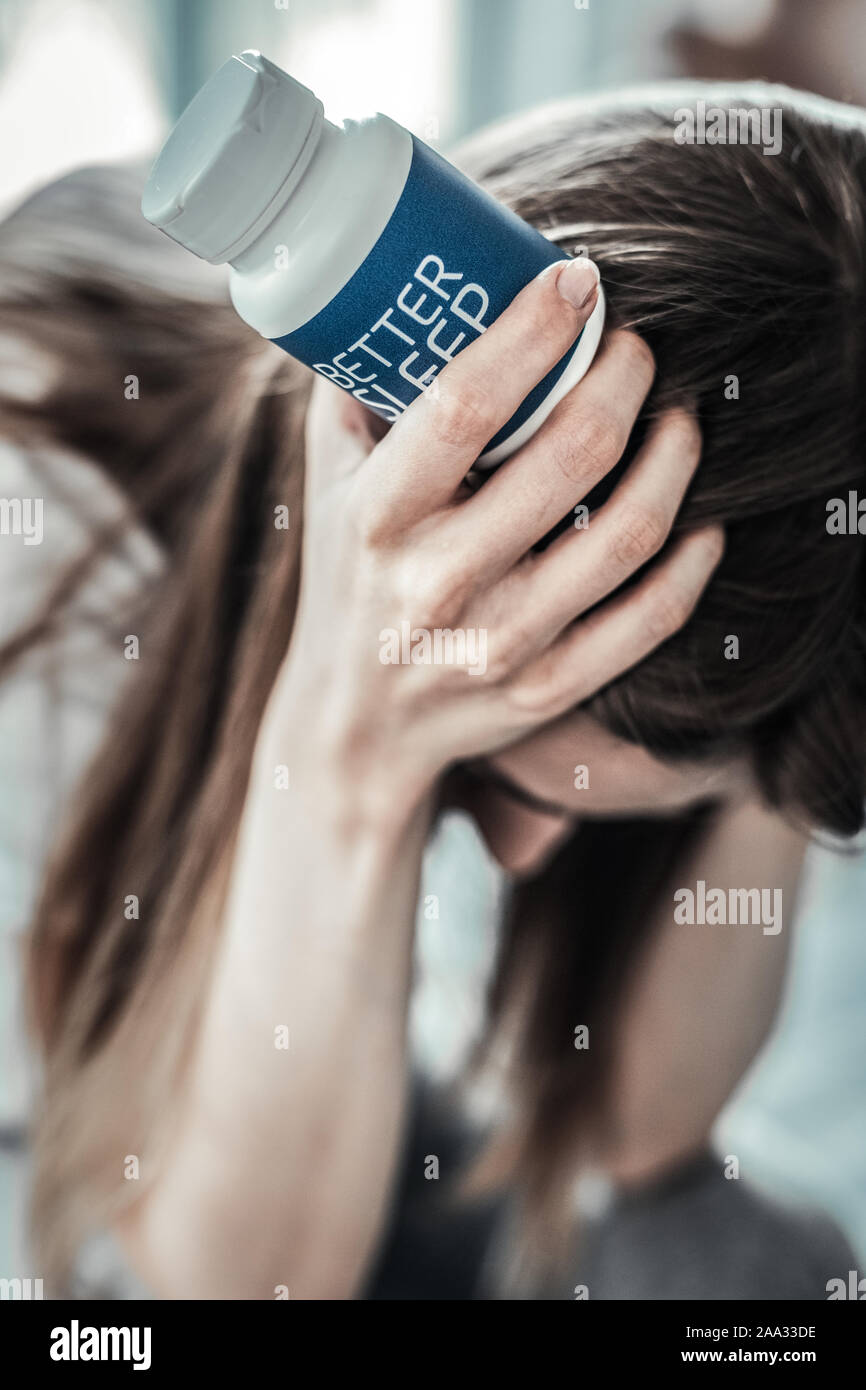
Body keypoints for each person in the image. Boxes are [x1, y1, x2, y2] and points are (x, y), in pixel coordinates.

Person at [1, 80, 863, 1300]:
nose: (519, 847)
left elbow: (637, 1130)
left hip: (317, 1093)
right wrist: (350, 762)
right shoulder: (39, 551)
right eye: (506, 762)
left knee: (727, 1264)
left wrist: (796, 612)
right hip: (58, 1183)